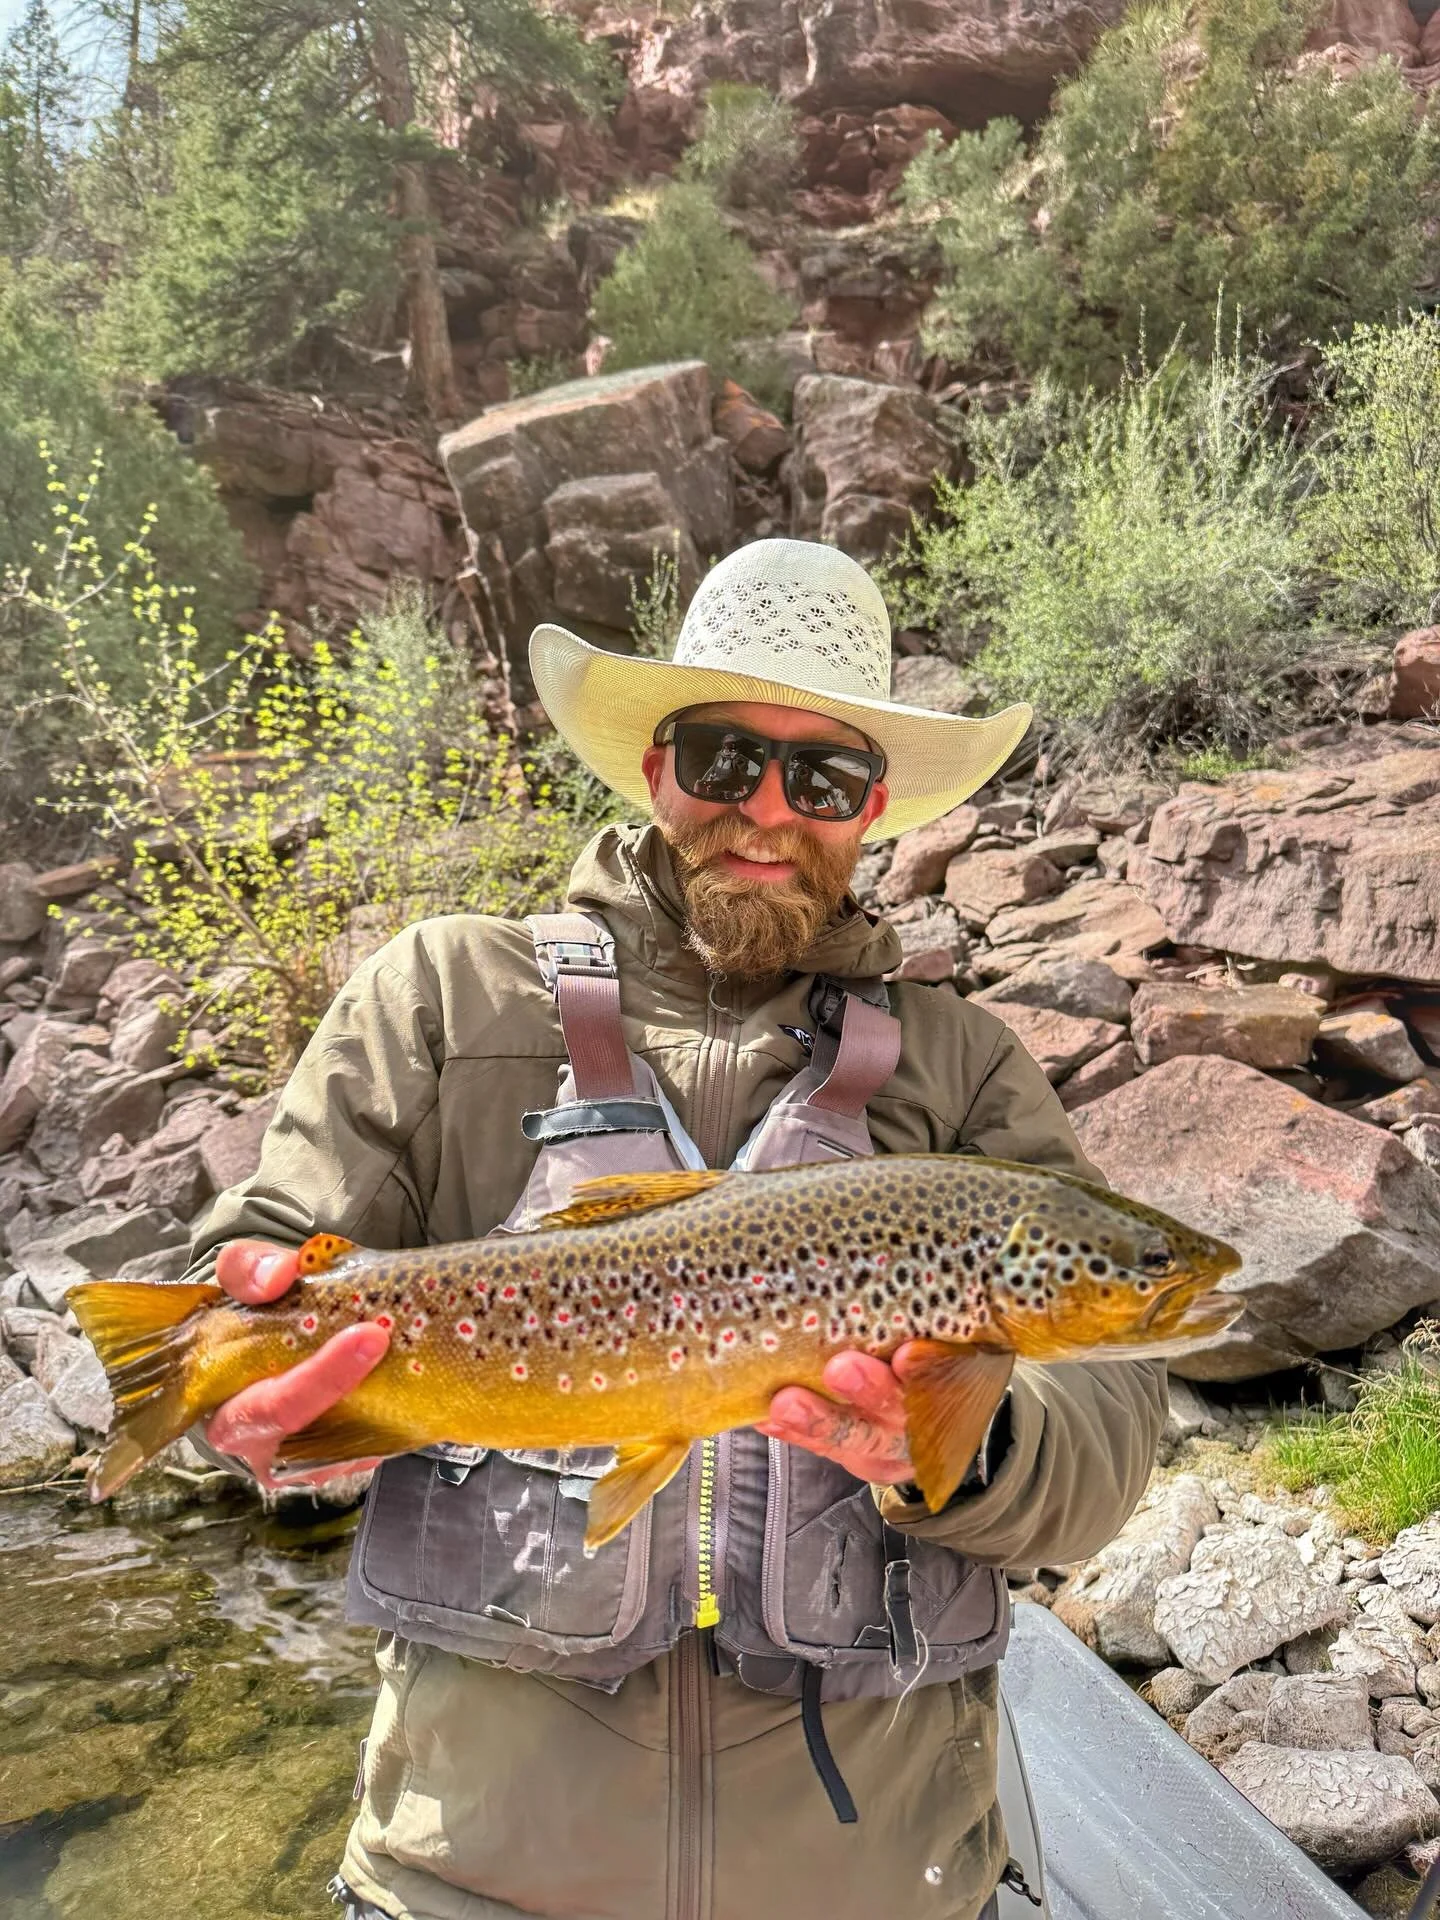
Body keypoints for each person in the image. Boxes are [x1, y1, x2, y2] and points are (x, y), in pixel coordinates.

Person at [190, 538, 1165, 1920]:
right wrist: (249, 1400)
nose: (766, 812)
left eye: (820, 778)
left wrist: (974, 1440)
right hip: (467, 1882)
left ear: (873, 810)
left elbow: (1116, 1428)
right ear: (654, 766)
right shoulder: (443, 996)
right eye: (722, 759)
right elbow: (264, 1250)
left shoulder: (967, 1072)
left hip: (875, 1890)